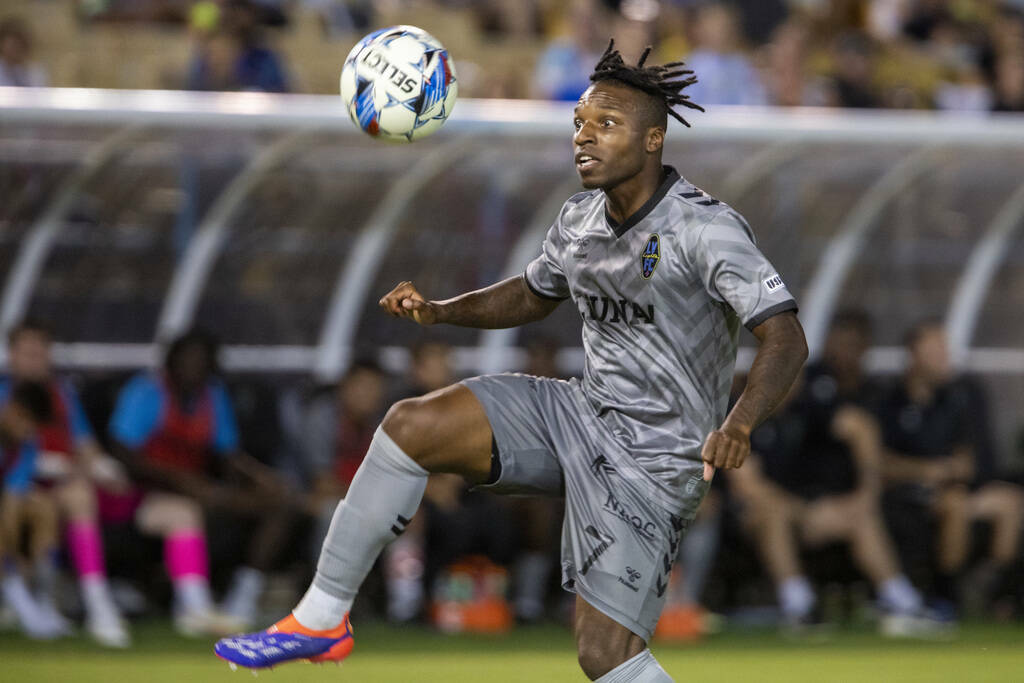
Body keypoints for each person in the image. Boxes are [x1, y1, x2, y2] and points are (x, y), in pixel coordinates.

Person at [216, 40, 807, 682]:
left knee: (604, 657)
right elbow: (531, 292)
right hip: (579, 413)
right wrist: (442, 311)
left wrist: (741, 422)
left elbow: (785, 337)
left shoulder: (706, 229)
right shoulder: (579, 218)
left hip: (656, 459)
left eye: (605, 125)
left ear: (653, 141)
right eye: (579, 123)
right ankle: (322, 618)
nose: (583, 137)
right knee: (411, 426)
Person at [108, 330, 300, 635]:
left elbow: (227, 453)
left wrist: (261, 477)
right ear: (171, 362)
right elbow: (124, 452)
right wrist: (179, 479)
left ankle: (242, 599)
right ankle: (192, 606)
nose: (193, 368)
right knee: (187, 510)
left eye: (201, 362)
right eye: (186, 360)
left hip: (200, 487)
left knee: (282, 503)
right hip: (148, 491)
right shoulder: (147, 390)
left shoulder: (212, 394)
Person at [878, 320, 1024, 614]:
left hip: (953, 488)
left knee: (1010, 502)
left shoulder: (959, 396)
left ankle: (991, 585)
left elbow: (967, 457)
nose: (945, 355)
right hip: (905, 494)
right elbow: (878, 462)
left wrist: (951, 470)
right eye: (936, 348)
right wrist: (924, 471)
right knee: (956, 504)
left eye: (945, 348)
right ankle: (946, 594)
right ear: (914, 353)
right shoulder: (888, 399)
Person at [1, 320, 130, 647]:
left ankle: (60, 601)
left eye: (41, 352)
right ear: (12, 355)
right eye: (27, 352)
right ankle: (23, 600)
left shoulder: (59, 395)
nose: (35, 359)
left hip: (36, 489)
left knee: (49, 504)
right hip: (22, 490)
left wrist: (98, 467)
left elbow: (82, 445)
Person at [0, 380, 67, 639]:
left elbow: (15, 488)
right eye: (27, 424)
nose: (30, 434)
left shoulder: (27, 443)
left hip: (7, 505)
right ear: (13, 411)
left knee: (43, 507)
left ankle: (44, 600)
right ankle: (21, 602)